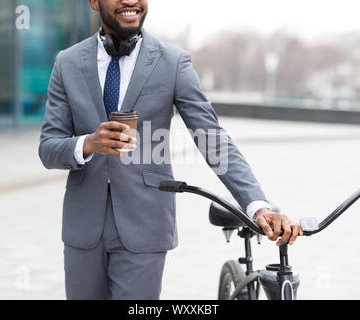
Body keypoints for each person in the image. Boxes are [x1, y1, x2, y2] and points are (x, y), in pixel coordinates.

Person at [38, 0, 303, 300]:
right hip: (82, 228)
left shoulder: (173, 62)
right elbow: (48, 148)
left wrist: (257, 205)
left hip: (145, 225)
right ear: (94, 2)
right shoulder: (67, 62)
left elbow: (212, 138)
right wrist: (88, 143)